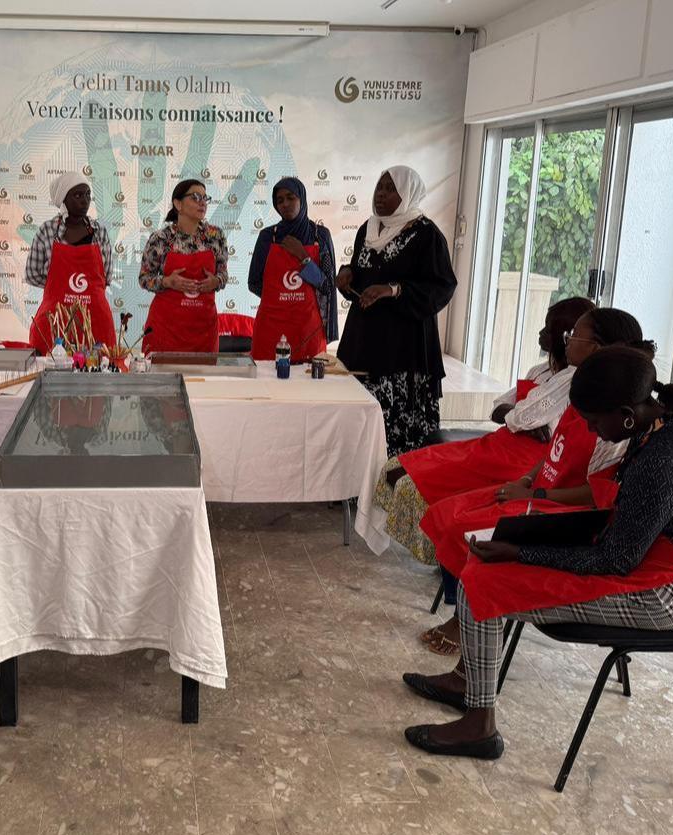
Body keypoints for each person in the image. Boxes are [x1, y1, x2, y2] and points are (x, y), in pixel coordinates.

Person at [402, 346, 673, 759]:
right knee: (484, 569)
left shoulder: (665, 458)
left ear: (626, 415)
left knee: (484, 582)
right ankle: (470, 686)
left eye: (595, 423)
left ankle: (478, 724)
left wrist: (522, 552)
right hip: (641, 561)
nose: (594, 434)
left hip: (669, 596)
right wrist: (529, 539)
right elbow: (618, 530)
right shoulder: (657, 428)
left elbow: (615, 560)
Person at [414, 308, 654, 655]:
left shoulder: (618, 423)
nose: (563, 340)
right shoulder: (586, 388)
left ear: (598, 348)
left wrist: (537, 491)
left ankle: (469, 624)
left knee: (475, 533)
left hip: (564, 509)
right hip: (540, 489)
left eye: (575, 335)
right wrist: (527, 481)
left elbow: (598, 497)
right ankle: (464, 609)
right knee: (446, 514)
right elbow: (555, 445)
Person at [373, 297, 595, 570]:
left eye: (548, 329)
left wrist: (517, 416)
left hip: (518, 460)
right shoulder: (541, 371)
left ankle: (444, 559)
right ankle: (445, 555)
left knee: (412, 483)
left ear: (564, 337)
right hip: (499, 443)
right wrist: (517, 417)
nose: (540, 333)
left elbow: (522, 416)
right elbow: (500, 409)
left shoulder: (572, 380)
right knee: (396, 467)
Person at [335, 166, 457, 455]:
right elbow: (363, 272)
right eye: (380, 187)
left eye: (391, 189)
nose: (382, 194)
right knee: (358, 418)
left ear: (408, 193)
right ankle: (355, 484)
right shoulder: (369, 228)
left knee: (396, 427)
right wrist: (348, 273)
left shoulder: (427, 235)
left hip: (403, 348)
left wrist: (392, 289)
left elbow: (442, 286)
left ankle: (394, 485)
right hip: (363, 342)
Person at [25, 171, 117, 354]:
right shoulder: (47, 231)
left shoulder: (100, 232)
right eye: (78, 195)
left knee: (99, 370)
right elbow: (31, 274)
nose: (85, 200)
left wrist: (69, 288)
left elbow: (106, 276)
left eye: (87, 195)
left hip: (95, 321)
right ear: (63, 199)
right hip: (55, 321)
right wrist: (57, 285)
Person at [248, 176, 337, 360]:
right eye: (279, 200)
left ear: (302, 199)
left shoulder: (320, 235)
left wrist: (303, 257)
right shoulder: (267, 236)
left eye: (291, 197)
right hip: (270, 329)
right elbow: (254, 282)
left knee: (308, 388)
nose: (285, 204)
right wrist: (280, 299)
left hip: (308, 331)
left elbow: (327, 286)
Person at [139, 179, 229, 354]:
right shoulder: (161, 238)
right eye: (195, 197)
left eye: (205, 198)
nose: (202, 202)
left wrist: (216, 282)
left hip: (203, 328)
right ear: (178, 204)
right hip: (166, 327)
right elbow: (144, 278)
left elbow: (223, 275)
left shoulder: (215, 235)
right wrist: (167, 282)